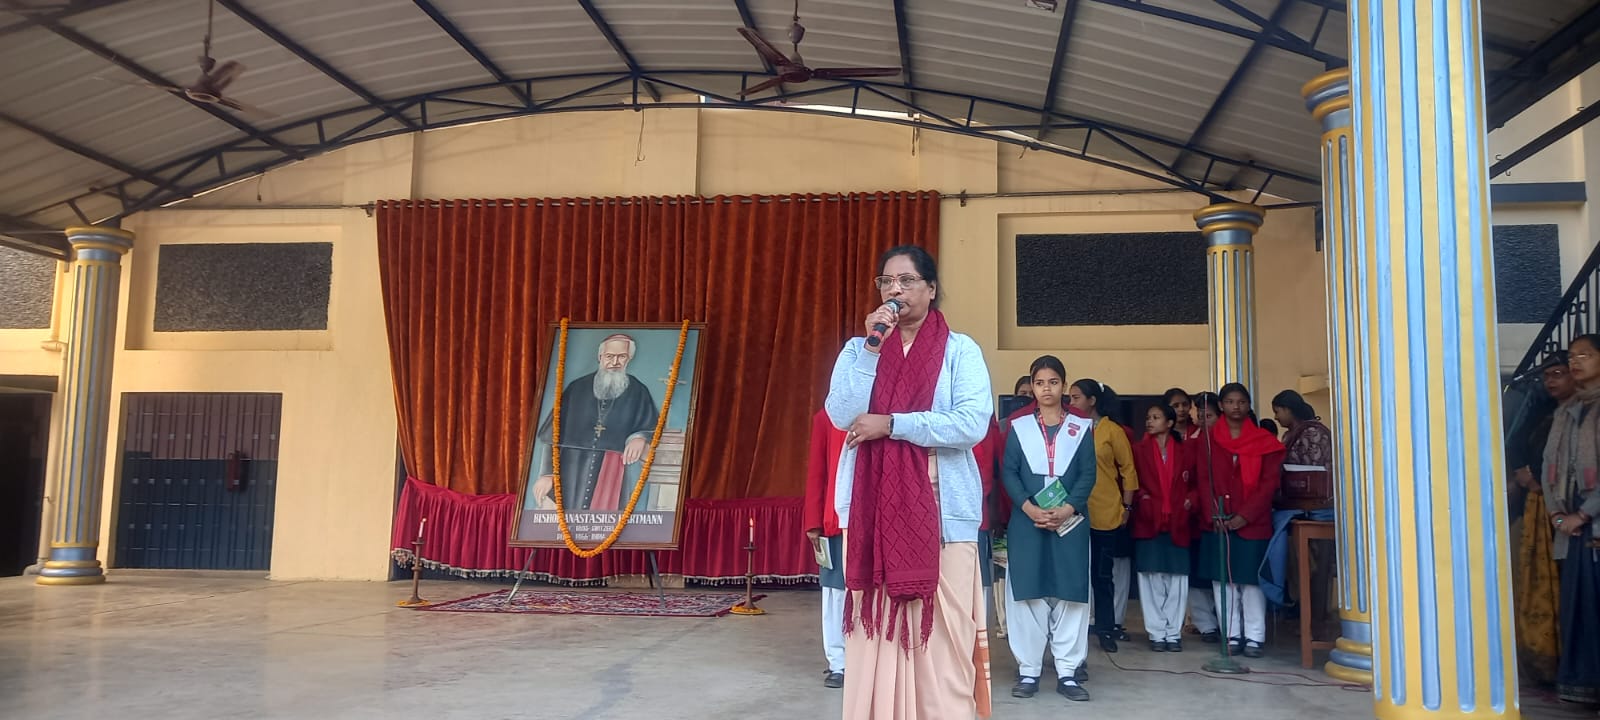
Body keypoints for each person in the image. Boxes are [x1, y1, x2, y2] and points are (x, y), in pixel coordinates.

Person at [826, 245, 994, 720]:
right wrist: (871, 349)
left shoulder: (961, 350)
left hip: (943, 517)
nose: (894, 290)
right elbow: (841, 414)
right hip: (871, 512)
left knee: (945, 644)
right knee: (875, 639)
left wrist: (893, 423)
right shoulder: (859, 350)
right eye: (886, 281)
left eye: (906, 280)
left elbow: (969, 424)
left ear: (931, 288)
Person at [1001, 355, 1095, 702]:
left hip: (1070, 521)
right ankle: (1029, 670)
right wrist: (1028, 507)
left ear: (1063, 386)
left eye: (1053, 382)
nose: (1046, 389)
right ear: (1032, 386)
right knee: (1027, 592)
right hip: (1028, 521)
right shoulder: (1019, 426)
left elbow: (1088, 473)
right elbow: (1008, 472)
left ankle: (1068, 672)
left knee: (1071, 592)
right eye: (1040, 383)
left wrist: (1068, 507)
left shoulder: (1081, 427)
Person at [1194, 383, 1283, 658]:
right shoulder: (1208, 439)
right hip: (1218, 520)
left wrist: (1244, 516)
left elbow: (1268, 485)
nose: (1236, 406)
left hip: (1253, 522)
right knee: (1224, 582)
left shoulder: (1264, 442)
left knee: (1251, 582)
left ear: (1248, 405)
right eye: (1230, 401)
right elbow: (1203, 479)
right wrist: (1214, 514)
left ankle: (1255, 637)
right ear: (1221, 405)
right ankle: (1231, 634)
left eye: (1241, 402)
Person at [532, 334, 661, 511]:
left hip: (611, 470)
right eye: (609, 356)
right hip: (571, 466)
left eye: (621, 356)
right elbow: (551, 435)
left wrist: (639, 437)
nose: (615, 362)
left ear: (628, 358)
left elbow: (651, 426)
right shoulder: (576, 388)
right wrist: (547, 473)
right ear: (600, 357)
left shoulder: (638, 391)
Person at [1543, 335, 1600, 707]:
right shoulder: (1567, 409)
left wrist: (1584, 513)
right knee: (1577, 608)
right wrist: (1558, 514)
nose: (1576, 361)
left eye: (1587, 355)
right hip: (1571, 523)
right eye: (1573, 355)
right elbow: (1551, 467)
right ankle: (1581, 683)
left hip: (1593, 521)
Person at [1067, 378, 1138, 652]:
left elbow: (1128, 471)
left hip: (1105, 510)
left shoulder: (1112, 430)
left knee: (1102, 575)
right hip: (1072, 512)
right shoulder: (1070, 428)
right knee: (1076, 575)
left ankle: (1106, 629)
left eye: (1076, 397)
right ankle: (1077, 629)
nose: (1071, 402)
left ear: (1092, 400)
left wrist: (1128, 507)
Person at [1515, 352, 1573, 686]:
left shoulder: (1580, 414)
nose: (1551, 381)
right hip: (1541, 507)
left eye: (1559, 374)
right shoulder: (1546, 412)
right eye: (1548, 375)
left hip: (1564, 512)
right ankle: (1544, 666)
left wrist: (1538, 480)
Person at [1262, 390, 1336, 637]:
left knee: (1312, 568)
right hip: (1293, 507)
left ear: (1288, 409)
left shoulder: (1312, 433)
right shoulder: (1292, 433)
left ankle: (1312, 618)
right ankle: (1293, 607)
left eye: (1278, 411)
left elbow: (1311, 470)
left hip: (1314, 508)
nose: (1276, 416)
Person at [1132, 403, 1197, 652]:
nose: (1150, 421)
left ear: (1169, 423)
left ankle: (1173, 632)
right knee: (1150, 578)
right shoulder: (1139, 450)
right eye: (1148, 417)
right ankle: (1156, 632)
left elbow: (1196, 481)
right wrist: (1143, 499)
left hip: (1179, 518)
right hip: (1149, 518)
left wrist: (1192, 501)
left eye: (1156, 417)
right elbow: (1132, 480)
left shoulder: (1186, 450)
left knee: (1177, 579)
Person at [804, 408, 849, 688]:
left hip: (875, 522)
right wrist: (813, 520)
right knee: (835, 593)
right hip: (835, 520)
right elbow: (817, 471)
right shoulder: (826, 417)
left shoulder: (884, 412)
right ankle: (838, 663)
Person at [1186, 391, 1223, 643]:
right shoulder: (1190, 439)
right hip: (1195, 517)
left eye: (1208, 415)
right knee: (1198, 575)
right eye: (1199, 414)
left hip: (1222, 514)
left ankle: (1226, 624)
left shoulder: (1226, 439)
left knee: (1220, 576)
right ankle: (1206, 624)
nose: (1202, 419)